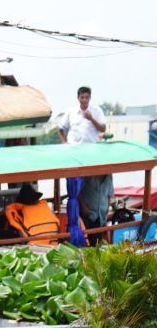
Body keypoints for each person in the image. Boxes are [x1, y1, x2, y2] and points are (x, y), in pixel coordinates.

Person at [56, 86, 113, 245]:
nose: (84, 100)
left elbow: (102, 128)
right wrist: (65, 143)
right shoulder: (72, 112)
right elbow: (60, 128)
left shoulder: (96, 111)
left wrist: (91, 118)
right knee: (77, 184)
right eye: (82, 98)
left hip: (91, 153)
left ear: (90, 98)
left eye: (87, 98)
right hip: (75, 152)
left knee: (98, 234)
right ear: (78, 98)